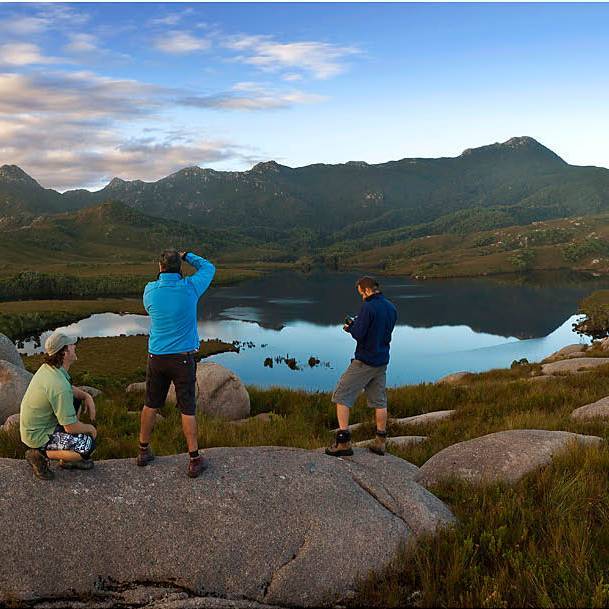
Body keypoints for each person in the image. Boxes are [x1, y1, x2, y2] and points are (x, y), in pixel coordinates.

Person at [137, 249, 215, 478]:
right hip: (182, 359)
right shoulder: (190, 287)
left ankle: (143, 451)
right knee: (187, 408)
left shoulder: (150, 290)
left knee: (151, 403)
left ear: (160, 268)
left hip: (157, 357)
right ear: (179, 268)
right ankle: (194, 459)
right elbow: (209, 268)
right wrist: (188, 255)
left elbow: (151, 309)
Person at [326, 276, 398, 457]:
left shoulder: (368, 307)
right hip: (382, 361)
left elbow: (359, 333)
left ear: (366, 290)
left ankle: (343, 442)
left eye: (361, 293)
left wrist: (350, 327)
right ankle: (381, 441)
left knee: (342, 394)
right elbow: (381, 330)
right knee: (379, 401)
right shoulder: (391, 307)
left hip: (365, 360)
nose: (361, 297)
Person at [20, 331, 97, 480]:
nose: (74, 346)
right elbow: (71, 427)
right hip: (38, 435)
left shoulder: (50, 369)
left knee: (76, 401)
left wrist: (86, 396)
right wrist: (90, 428)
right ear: (64, 352)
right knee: (88, 445)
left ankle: (66, 458)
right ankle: (39, 454)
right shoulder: (58, 384)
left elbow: (69, 389)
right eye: (71, 345)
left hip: (41, 425)